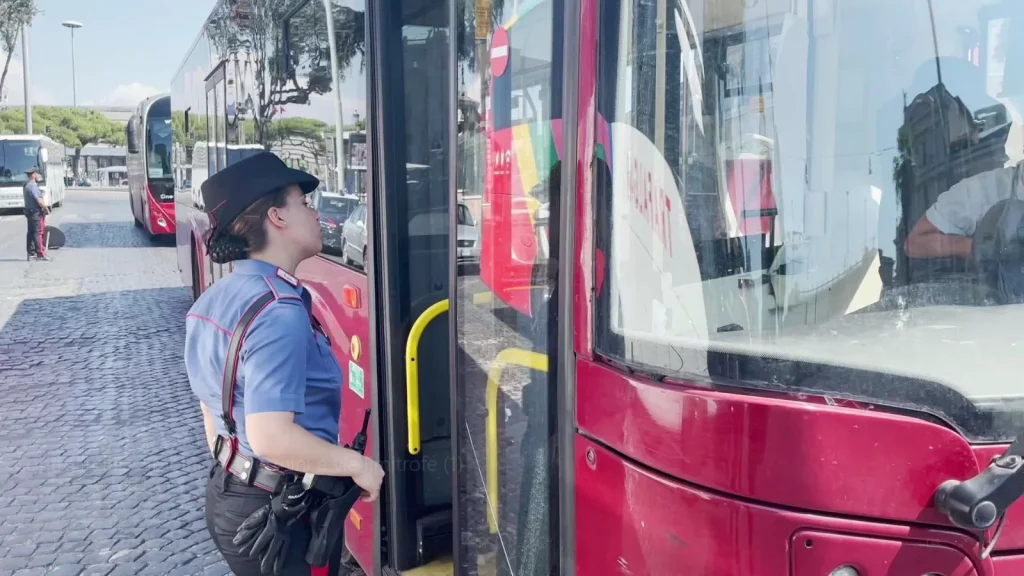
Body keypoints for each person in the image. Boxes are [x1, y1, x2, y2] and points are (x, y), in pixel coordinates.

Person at [184, 152, 384, 575]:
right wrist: (359, 466)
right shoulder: (279, 310)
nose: (314, 212)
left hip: (229, 493)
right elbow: (272, 437)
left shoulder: (212, 301)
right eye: (304, 203)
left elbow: (211, 408)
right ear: (277, 217)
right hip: (278, 514)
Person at [23, 166, 49, 261]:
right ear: (34, 174)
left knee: (31, 232)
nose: (38, 175)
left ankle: (30, 253)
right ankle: (40, 253)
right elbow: (39, 201)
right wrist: (46, 208)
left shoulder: (26, 185)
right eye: (37, 173)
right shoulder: (33, 186)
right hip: (35, 213)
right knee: (38, 233)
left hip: (29, 213)